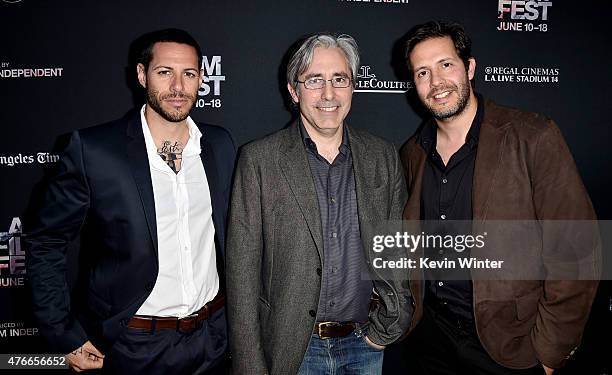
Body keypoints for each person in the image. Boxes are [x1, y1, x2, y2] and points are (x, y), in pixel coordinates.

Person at [25, 28, 235, 374]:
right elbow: (46, 241)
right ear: (142, 75)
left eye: (189, 74)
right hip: (134, 346)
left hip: (212, 339)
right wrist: (64, 334)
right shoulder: (95, 151)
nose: (178, 87)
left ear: (202, 78)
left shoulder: (219, 145)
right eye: (165, 73)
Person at [400, 20, 599, 375]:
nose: (437, 82)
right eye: (423, 73)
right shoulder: (412, 153)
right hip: (430, 340)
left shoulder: (533, 136)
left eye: (446, 65)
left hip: (510, 346)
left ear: (470, 67)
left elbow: (579, 249)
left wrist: (551, 351)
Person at [225, 33, 412, 375]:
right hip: (292, 349)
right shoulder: (259, 160)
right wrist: (250, 364)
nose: (329, 94)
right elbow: (242, 272)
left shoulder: (382, 155)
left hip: (365, 344)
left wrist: (392, 321)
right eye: (314, 80)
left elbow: (396, 247)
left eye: (339, 79)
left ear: (353, 86)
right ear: (294, 91)